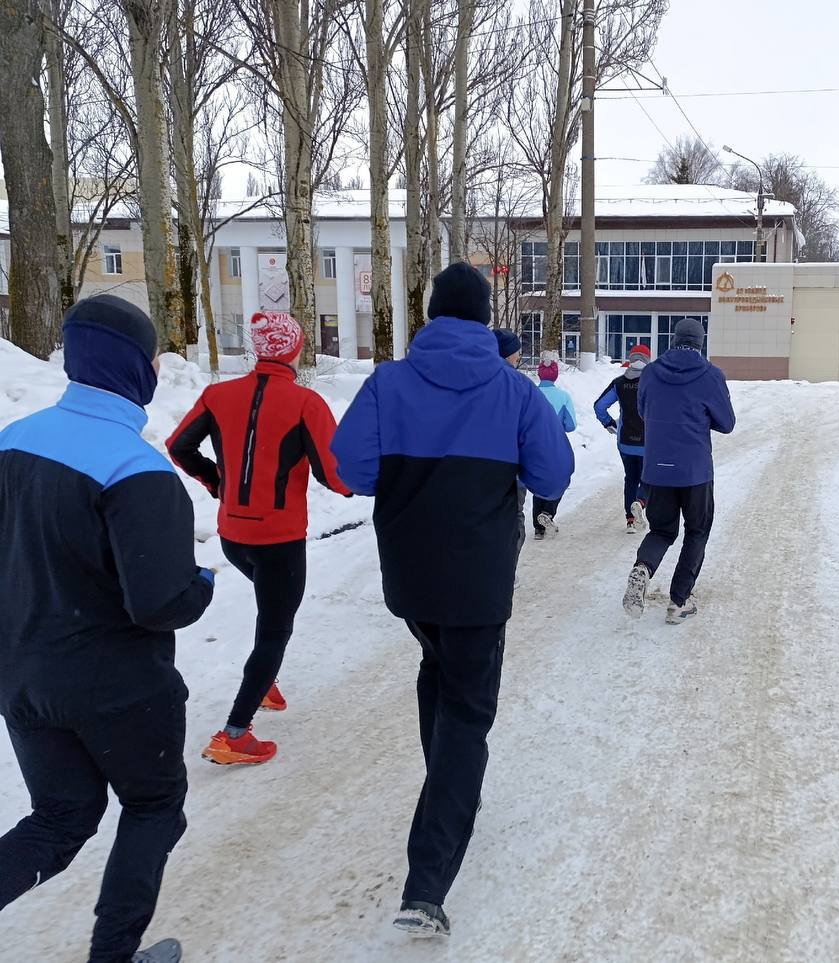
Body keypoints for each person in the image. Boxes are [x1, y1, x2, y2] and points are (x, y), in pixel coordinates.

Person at [332, 263, 573, 940]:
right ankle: (427, 886)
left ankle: (449, 790)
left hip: (410, 580)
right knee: (466, 716)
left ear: (433, 315)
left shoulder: (388, 382)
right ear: (484, 316)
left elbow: (350, 468)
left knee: (436, 665)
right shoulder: (515, 391)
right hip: (479, 582)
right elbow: (553, 472)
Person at [0, 295, 214, 963]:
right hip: (117, 687)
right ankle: (113, 955)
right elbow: (160, 602)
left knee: (61, 817)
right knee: (155, 806)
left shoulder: (11, 440)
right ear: (135, 368)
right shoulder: (138, 469)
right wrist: (200, 585)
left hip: (21, 677)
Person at [166, 312, 350, 766]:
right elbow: (335, 476)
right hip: (280, 540)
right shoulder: (306, 403)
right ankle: (234, 734)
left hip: (234, 535)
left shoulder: (217, 394)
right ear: (293, 350)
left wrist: (218, 484)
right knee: (276, 627)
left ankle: (263, 678)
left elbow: (178, 446)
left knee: (270, 611)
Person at [622, 319, 735, 625]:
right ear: (701, 342)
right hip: (695, 470)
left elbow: (644, 412)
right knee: (697, 531)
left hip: (657, 468)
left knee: (661, 530)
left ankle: (643, 567)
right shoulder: (711, 375)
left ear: (674, 340)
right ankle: (678, 602)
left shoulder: (652, 372)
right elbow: (727, 423)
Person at [594, 344, 651, 533]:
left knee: (631, 479)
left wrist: (609, 423)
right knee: (648, 479)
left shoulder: (619, 383)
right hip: (648, 443)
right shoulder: (653, 384)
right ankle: (641, 502)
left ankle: (630, 520)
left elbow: (599, 406)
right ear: (648, 360)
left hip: (625, 442)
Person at [493, 328, 528, 560]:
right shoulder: (518, 385)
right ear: (508, 354)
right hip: (510, 472)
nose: (519, 357)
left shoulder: (466, 381)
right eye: (517, 353)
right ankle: (505, 570)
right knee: (513, 520)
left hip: (470, 471)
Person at [531, 359, 577, 540]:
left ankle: (538, 528)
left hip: (532, 445)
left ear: (539, 374)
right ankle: (548, 512)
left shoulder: (531, 393)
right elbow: (571, 425)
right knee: (561, 478)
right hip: (555, 445)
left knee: (537, 481)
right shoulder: (563, 396)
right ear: (555, 375)